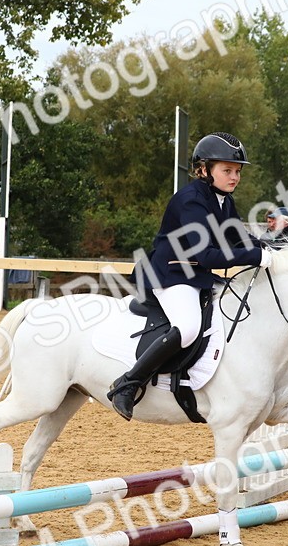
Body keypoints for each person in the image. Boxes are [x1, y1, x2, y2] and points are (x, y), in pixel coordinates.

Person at [107, 131, 273, 422]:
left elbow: (237, 237)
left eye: (237, 171)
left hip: (195, 274)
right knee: (187, 327)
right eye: (227, 170)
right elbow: (207, 255)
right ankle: (128, 384)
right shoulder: (190, 201)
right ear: (204, 169)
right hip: (169, 273)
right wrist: (255, 256)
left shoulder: (224, 200)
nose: (234, 177)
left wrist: (268, 246)